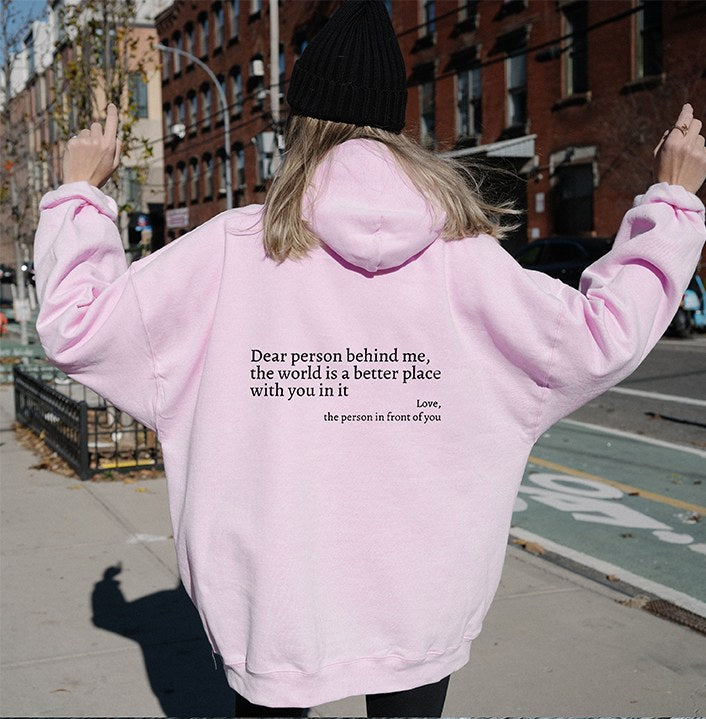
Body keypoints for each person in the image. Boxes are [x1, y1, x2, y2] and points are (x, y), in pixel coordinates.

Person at [33, 1, 705, 716]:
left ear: (300, 122)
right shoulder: (466, 259)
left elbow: (81, 326)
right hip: (424, 594)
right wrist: (670, 203)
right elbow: (603, 333)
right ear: (396, 124)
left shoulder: (233, 249)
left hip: (273, 599)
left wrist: (81, 193)